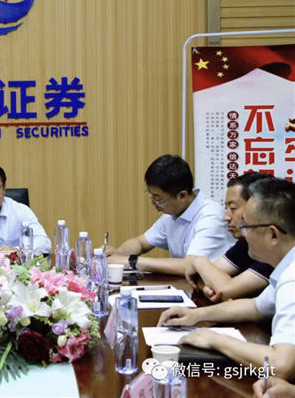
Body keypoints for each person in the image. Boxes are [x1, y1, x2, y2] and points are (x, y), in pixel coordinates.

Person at [157, 178, 295, 378]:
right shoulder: (286, 267)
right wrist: (196, 315)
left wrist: (215, 340)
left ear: (273, 234)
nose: (242, 233)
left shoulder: (292, 278)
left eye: (246, 226)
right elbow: (256, 308)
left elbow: (281, 365)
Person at [107, 154, 234, 275]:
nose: (153, 203)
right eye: (151, 196)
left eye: (158, 199)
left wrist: (133, 262)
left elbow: (190, 266)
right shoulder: (172, 215)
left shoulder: (211, 217)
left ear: (182, 195)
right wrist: (116, 254)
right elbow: (141, 243)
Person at [185, 172, 273, 302]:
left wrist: (198, 261)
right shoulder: (246, 241)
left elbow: (225, 289)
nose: (226, 217)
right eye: (226, 208)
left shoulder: (275, 248)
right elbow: (201, 277)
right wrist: (208, 287)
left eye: (233, 208)